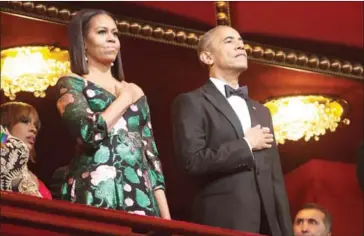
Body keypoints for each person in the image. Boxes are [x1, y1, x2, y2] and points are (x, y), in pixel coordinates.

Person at [171, 25, 292, 235]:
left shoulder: (262, 111)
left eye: (240, 41)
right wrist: (245, 145)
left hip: (268, 226)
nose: (240, 46)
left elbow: (275, 180)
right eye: (229, 41)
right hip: (223, 222)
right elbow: (192, 162)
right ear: (208, 57)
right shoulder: (192, 102)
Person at [55, 9, 170, 219]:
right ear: (83, 42)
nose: (112, 39)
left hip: (140, 195)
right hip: (96, 191)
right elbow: (88, 133)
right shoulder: (71, 83)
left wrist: (167, 221)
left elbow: (151, 158)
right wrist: (124, 99)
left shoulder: (136, 91)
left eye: (115, 34)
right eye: (102, 32)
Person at [0, 102, 52, 199]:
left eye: (36, 125)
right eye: (24, 121)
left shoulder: (36, 180)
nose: (34, 129)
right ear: (4, 125)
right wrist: (3, 138)